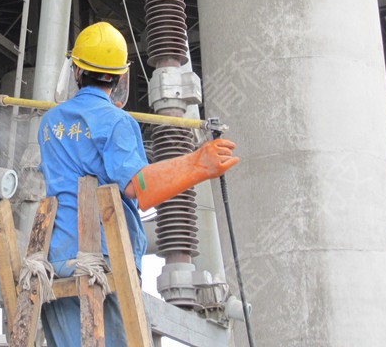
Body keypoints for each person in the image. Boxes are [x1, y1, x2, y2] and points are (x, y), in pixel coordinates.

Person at [38, 21, 238, 346]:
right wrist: (198, 164)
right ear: (118, 77)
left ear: (76, 70)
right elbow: (138, 188)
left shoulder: (50, 122)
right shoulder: (117, 122)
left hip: (55, 261)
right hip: (103, 261)